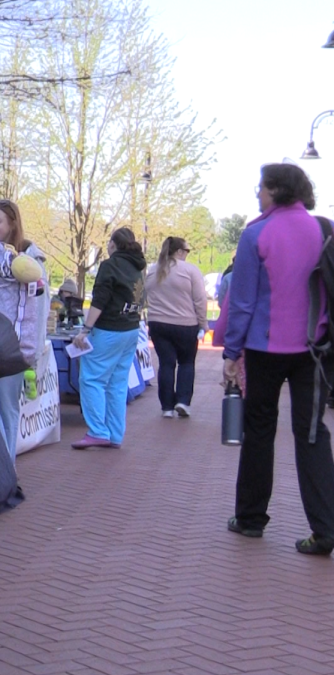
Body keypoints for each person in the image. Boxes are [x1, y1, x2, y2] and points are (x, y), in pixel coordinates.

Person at [223, 163, 334, 555]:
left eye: (262, 187)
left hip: (264, 347)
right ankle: (325, 529)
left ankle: (251, 519)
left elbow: (243, 302)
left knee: (259, 432)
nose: (258, 193)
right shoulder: (323, 230)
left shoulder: (256, 234)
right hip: (313, 349)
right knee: (312, 434)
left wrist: (232, 354)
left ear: (277, 191)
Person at [0, 199, 49, 463]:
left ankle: (6, 466)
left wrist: (32, 348)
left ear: (12, 223)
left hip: (14, 348)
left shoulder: (31, 262)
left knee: (7, 407)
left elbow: (39, 309)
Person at [69, 227, 146, 450]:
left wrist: (85, 329)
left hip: (108, 330)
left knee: (92, 379)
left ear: (113, 244)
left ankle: (97, 431)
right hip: (131, 329)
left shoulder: (110, 265)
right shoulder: (139, 268)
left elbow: (100, 299)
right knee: (118, 383)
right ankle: (114, 433)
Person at [145, 236, 207, 419]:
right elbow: (200, 300)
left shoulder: (153, 271)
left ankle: (166, 407)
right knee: (186, 362)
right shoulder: (190, 270)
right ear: (179, 252)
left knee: (166, 364)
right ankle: (183, 401)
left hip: (157, 324)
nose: (187, 254)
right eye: (186, 251)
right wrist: (203, 323)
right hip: (185, 324)